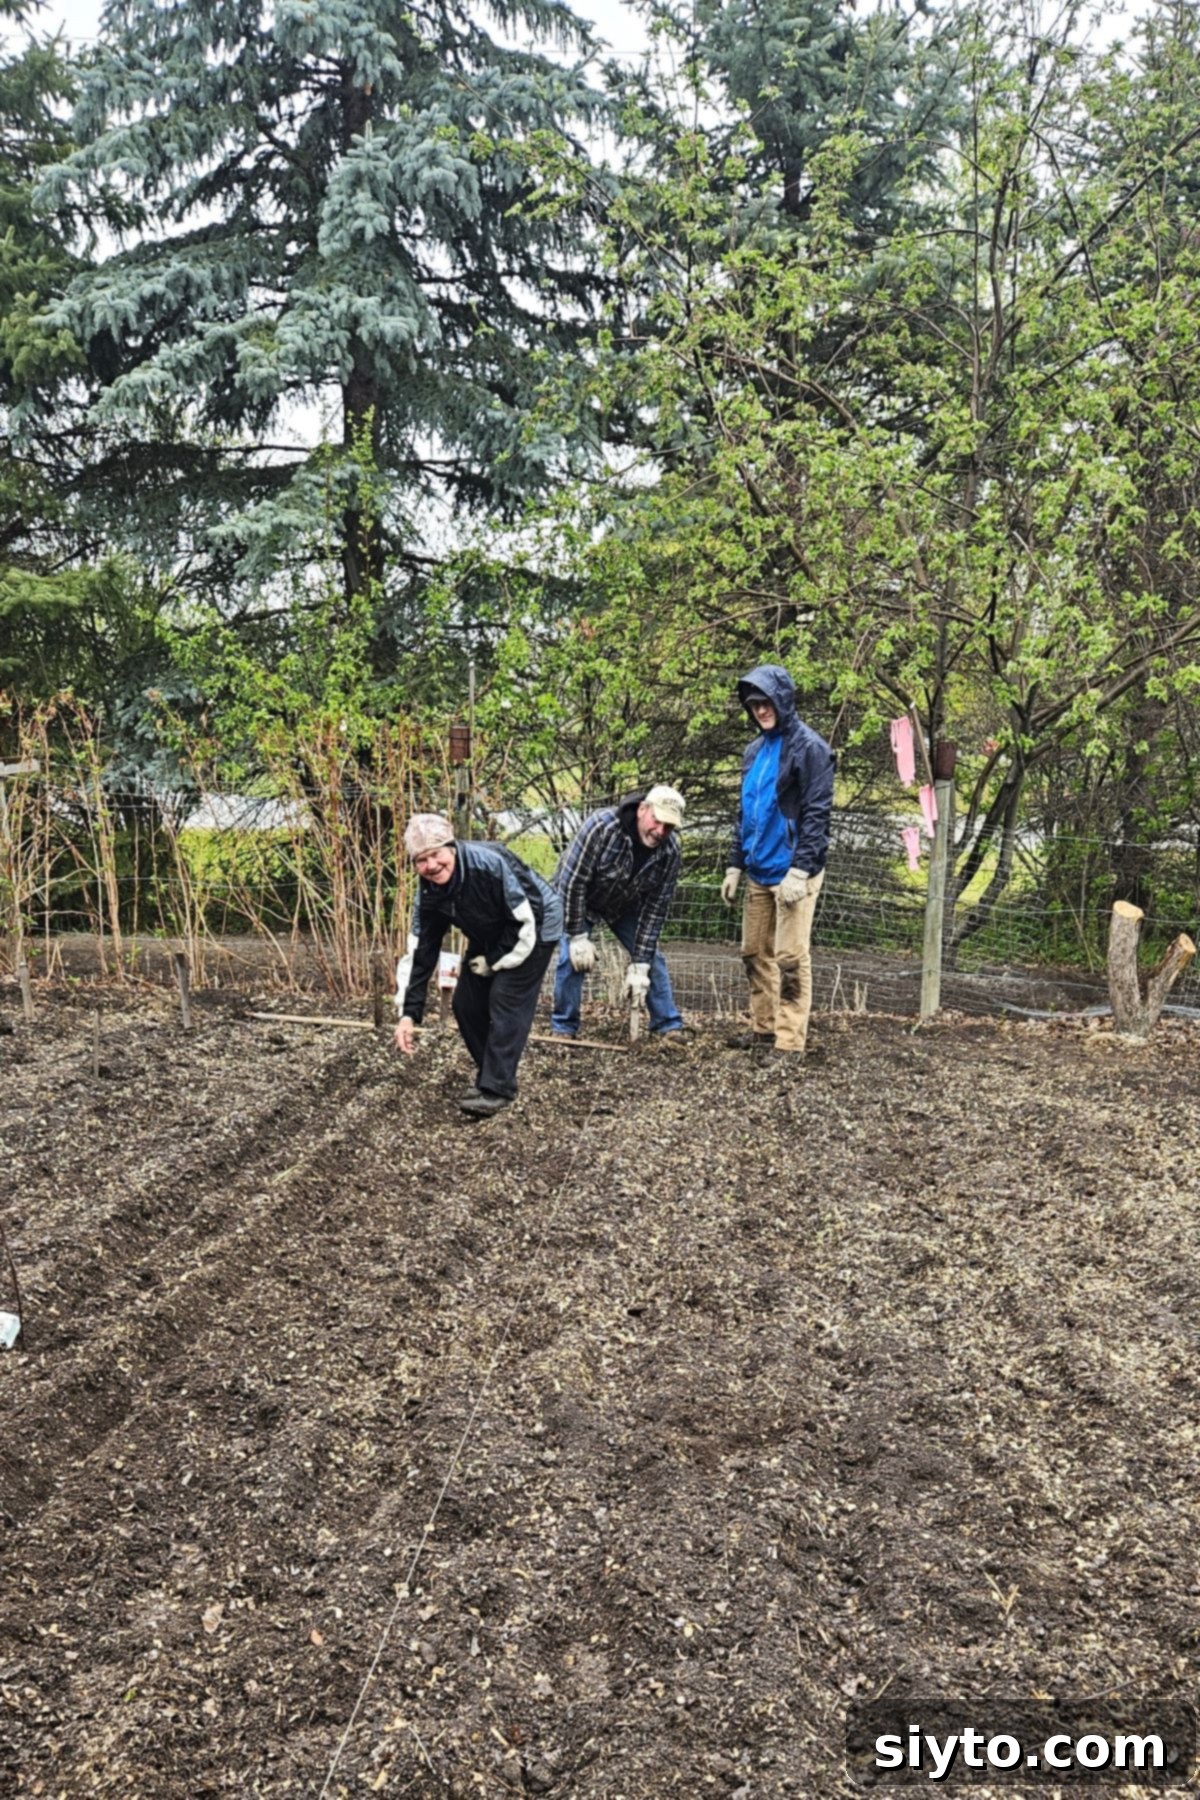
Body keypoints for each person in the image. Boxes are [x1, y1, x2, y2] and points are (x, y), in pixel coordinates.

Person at [394, 814, 563, 1116]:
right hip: (489, 930)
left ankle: (497, 1089)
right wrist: (408, 1014)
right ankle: (493, 1075)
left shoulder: (488, 867)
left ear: (452, 848)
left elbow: (526, 921)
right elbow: (422, 951)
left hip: (534, 926)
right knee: (466, 1003)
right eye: (421, 860)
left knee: (506, 997)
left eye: (436, 855)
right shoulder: (430, 892)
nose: (431, 865)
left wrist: (495, 960)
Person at [721, 665, 834, 1055]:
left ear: (782, 700)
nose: (760, 710)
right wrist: (736, 863)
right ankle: (764, 1029)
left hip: (792, 873)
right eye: (753, 704)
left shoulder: (810, 749)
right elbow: (747, 813)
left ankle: (789, 1043)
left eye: (766, 702)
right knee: (754, 953)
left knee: (789, 958)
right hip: (758, 871)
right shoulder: (754, 751)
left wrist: (800, 870)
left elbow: (817, 814)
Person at [550, 785, 687, 1044]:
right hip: (580, 899)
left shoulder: (670, 853)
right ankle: (564, 1028)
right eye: (657, 821)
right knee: (571, 958)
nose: (660, 832)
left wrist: (640, 962)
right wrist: (577, 935)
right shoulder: (601, 828)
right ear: (642, 810)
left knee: (653, 960)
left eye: (668, 827)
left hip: (623, 904)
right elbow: (571, 883)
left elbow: (655, 909)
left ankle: (668, 1025)